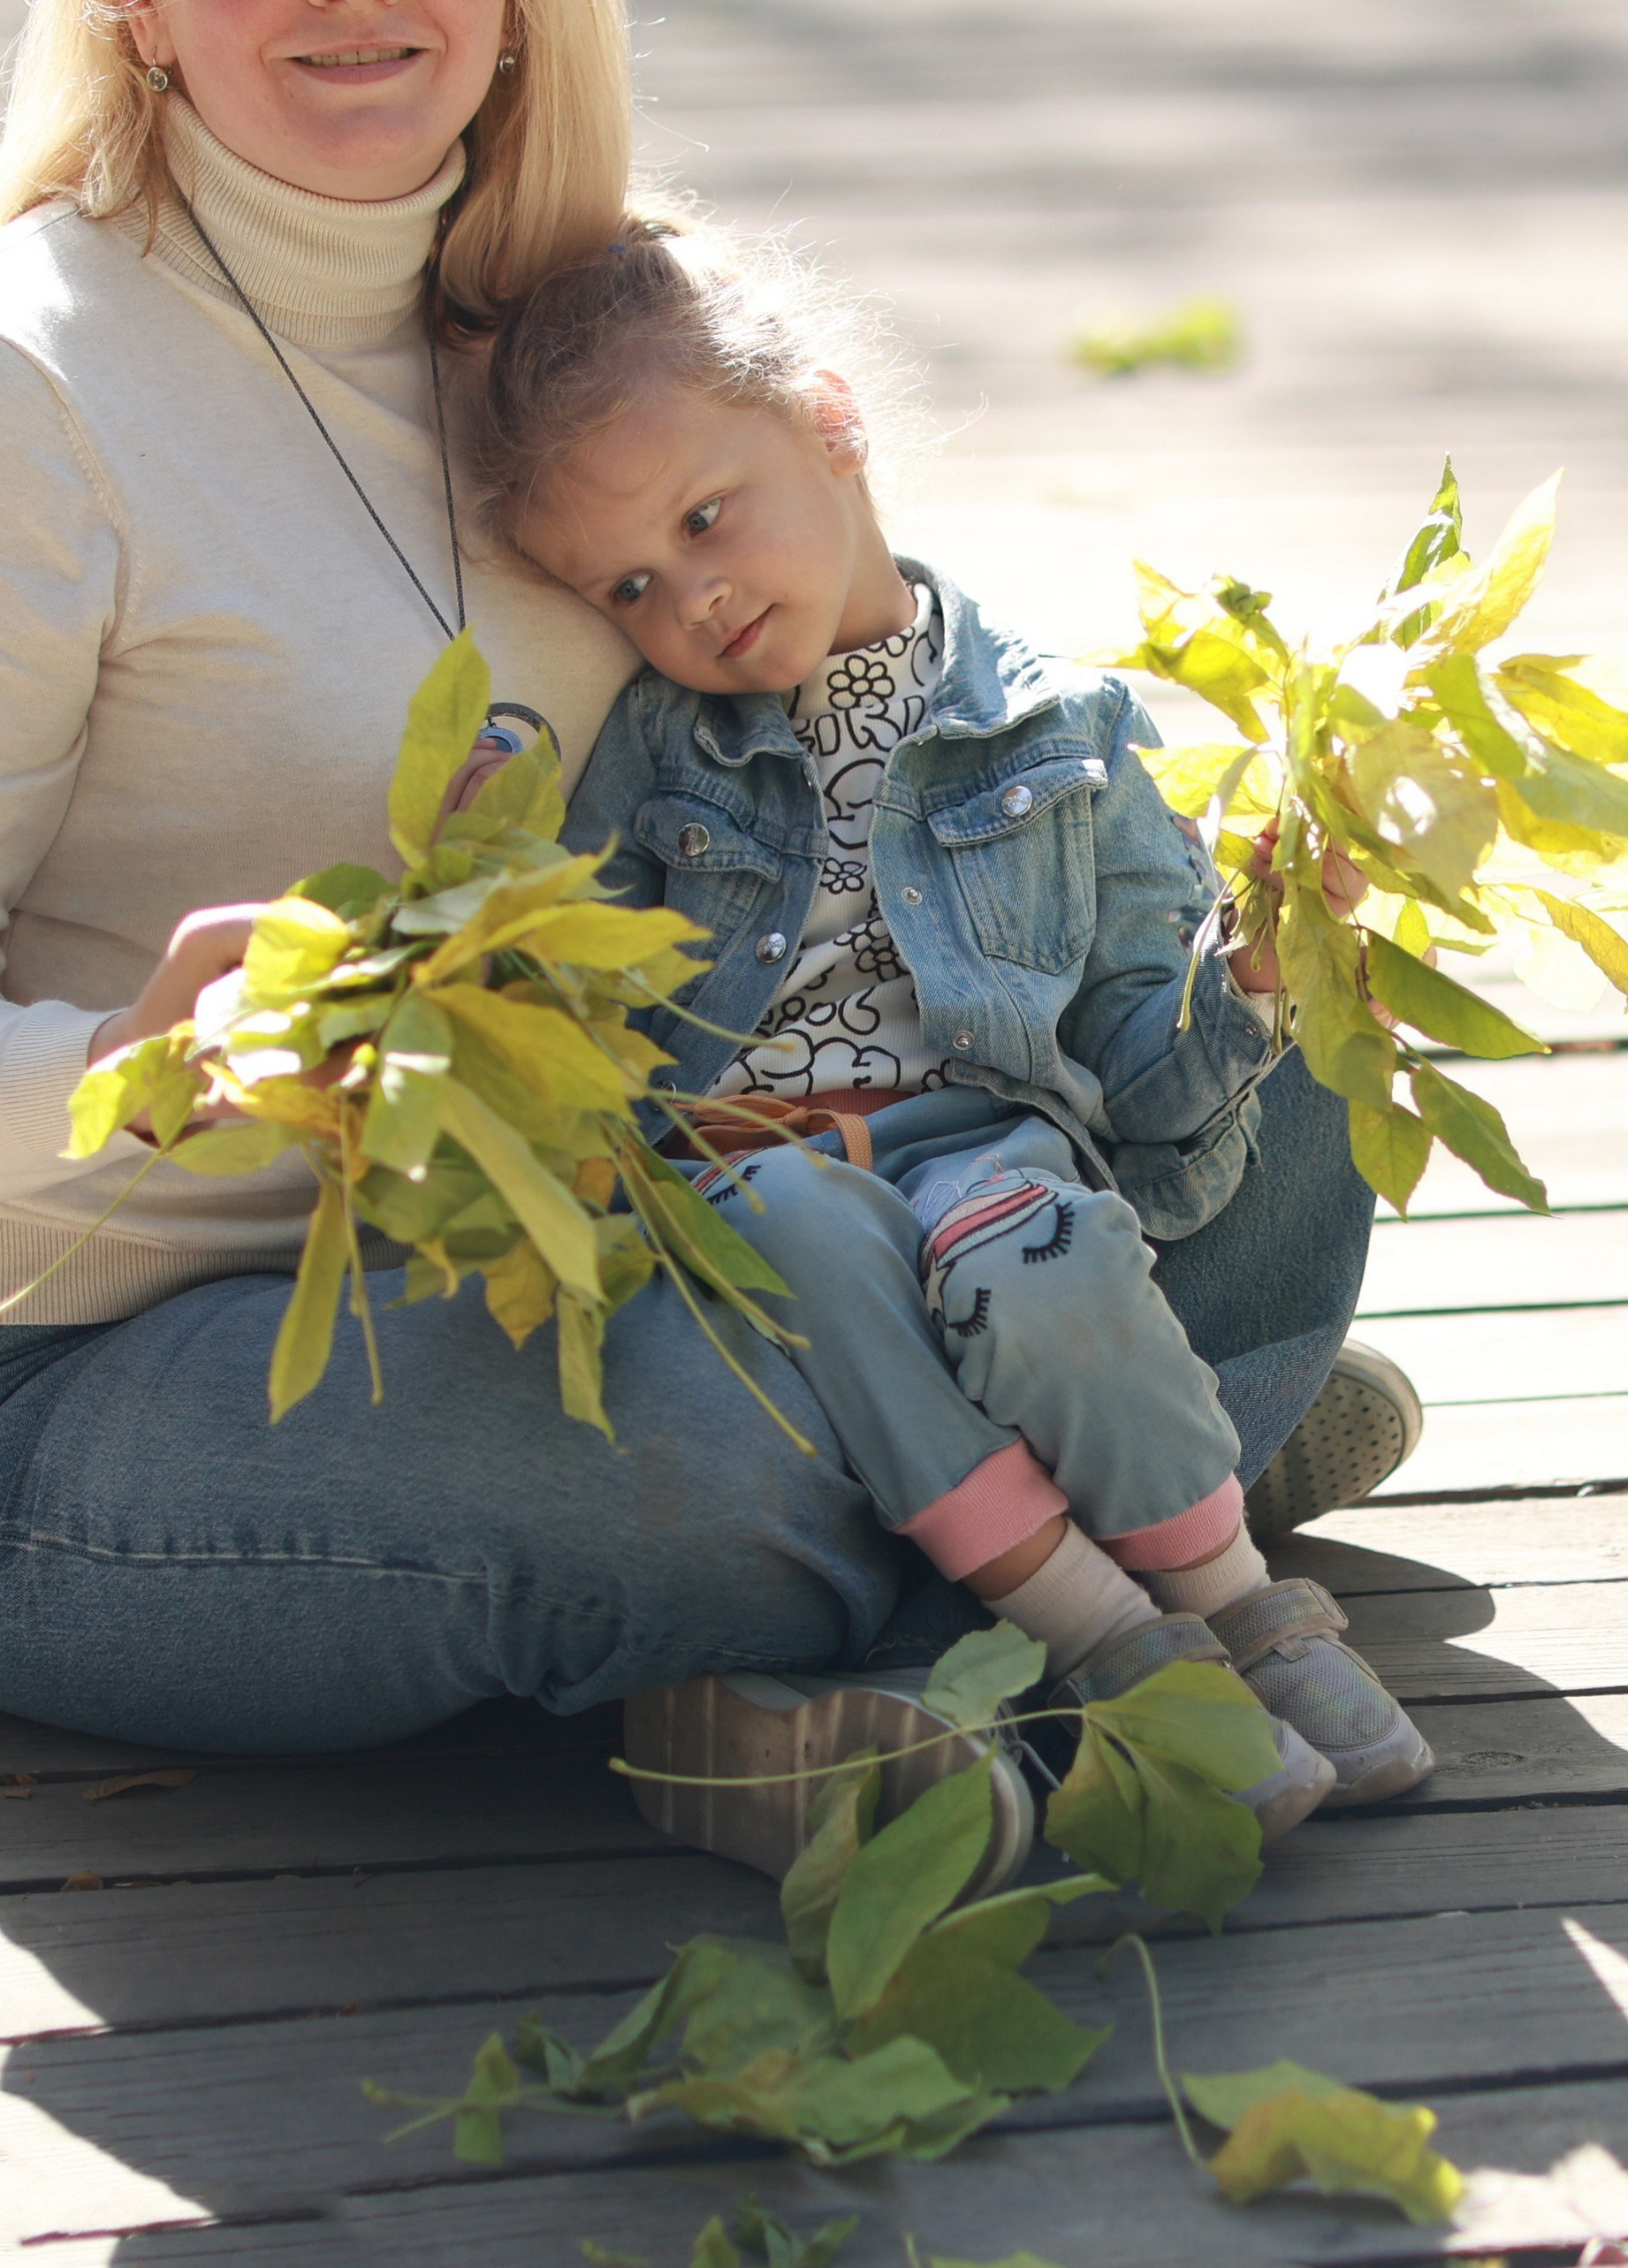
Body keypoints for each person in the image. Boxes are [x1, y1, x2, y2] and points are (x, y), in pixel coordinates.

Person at [0, 0, 1391, 1875]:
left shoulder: (584, 328)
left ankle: (1036, 1529)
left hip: (645, 1233)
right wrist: (147, 1066)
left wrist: (1199, 883)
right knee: (678, 1448)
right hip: (82, 1358)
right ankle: (1126, 1505)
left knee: (1273, 1074)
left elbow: (858, 684)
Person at [466, 214, 1434, 1878]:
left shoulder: (1062, 726)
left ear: (830, 424)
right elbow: (593, 990)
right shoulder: (646, 753)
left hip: (983, 1135)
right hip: (750, 1157)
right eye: (632, 583)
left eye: (708, 517)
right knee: (796, 1238)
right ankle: (1113, 1646)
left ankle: (1239, 1610)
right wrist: (494, 882)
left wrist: (1252, 973)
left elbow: (1141, 1059)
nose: (692, 596)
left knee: (1047, 1249)